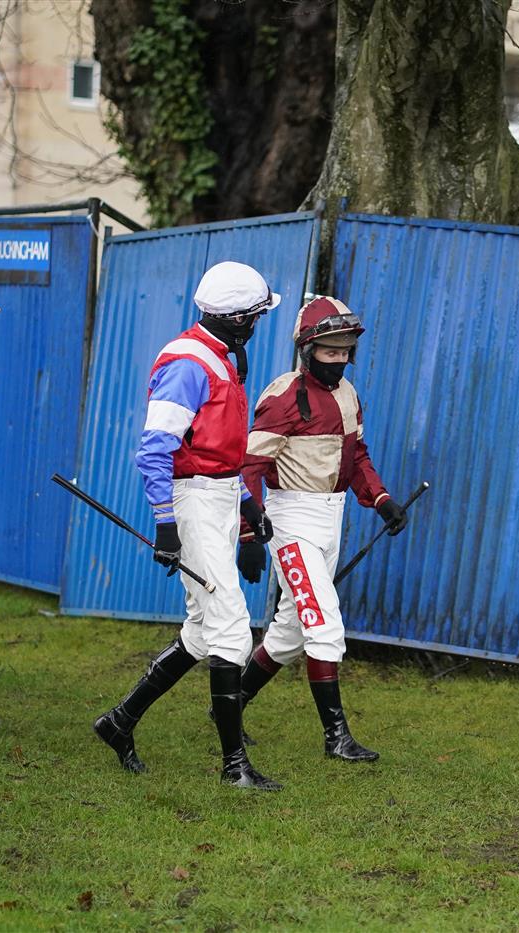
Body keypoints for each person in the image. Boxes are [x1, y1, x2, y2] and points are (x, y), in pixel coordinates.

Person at [93, 260, 283, 791]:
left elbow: (224, 451)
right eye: (256, 316)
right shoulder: (188, 364)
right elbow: (154, 451)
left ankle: (119, 721)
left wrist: (248, 508)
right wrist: (166, 525)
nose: (258, 324)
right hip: (193, 502)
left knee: (202, 632)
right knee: (229, 630)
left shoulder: (224, 356)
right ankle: (233, 766)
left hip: (219, 496)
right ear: (240, 318)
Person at [219, 296, 407, 762]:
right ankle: (336, 738)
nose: (338, 360)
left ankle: (231, 703)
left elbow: (356, 457)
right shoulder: (282, 396)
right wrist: (249, 535)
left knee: (289, 631)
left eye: (345, 351)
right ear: (307, 350)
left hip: (331, 517)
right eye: (329, 351)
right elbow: (249, 468)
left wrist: (381, 501)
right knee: (324, 625)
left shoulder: (348, 395)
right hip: (290, 520)